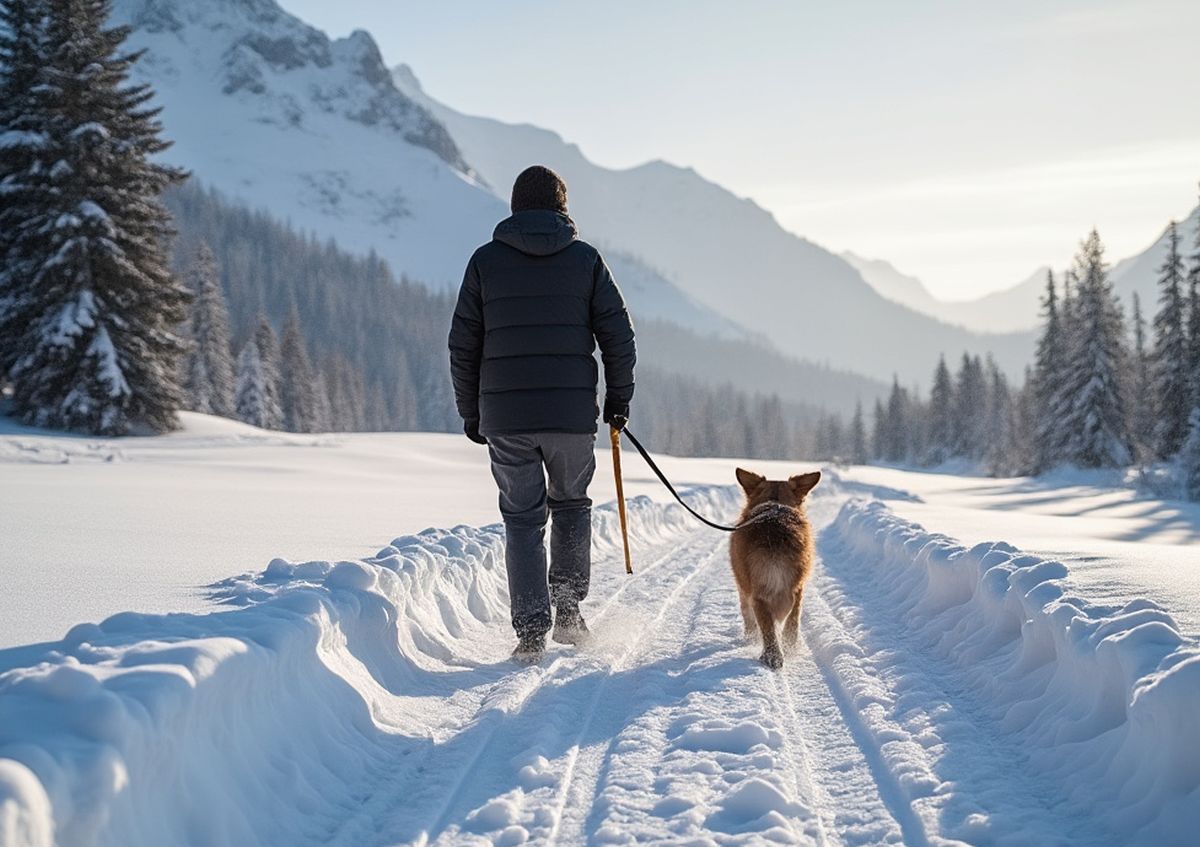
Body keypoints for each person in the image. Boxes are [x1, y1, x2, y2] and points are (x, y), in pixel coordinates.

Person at [448, 165, 636, 663]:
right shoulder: (586, 261)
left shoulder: (485, 263)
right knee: (571, 506)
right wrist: (618, 401)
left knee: (522, 520)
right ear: (562, 207)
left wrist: (473, 412)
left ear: (514, 208)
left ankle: (531, 632)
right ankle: (569, 613)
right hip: (572, 418)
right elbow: (619, 336)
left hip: (506, 418)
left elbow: (463, 344)